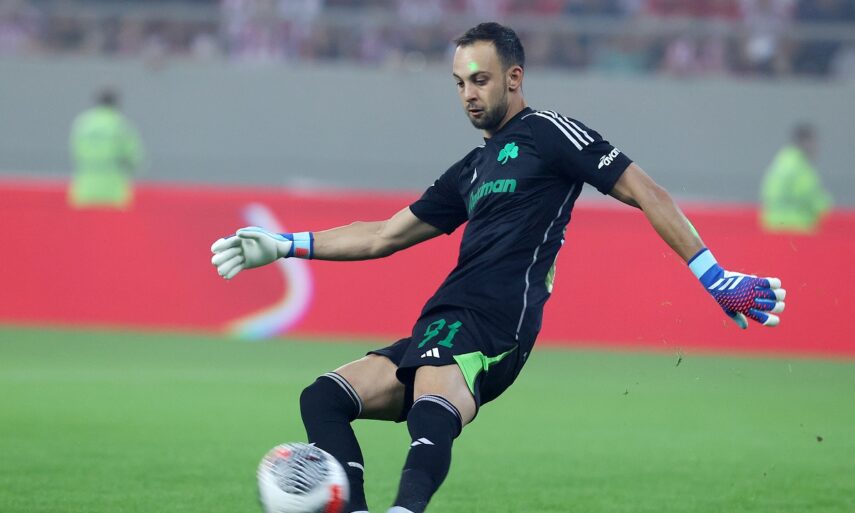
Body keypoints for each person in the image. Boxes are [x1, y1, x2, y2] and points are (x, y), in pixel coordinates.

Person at [211, 23, 787, 513]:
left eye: (480, 80)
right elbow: (384, 235)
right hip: (443, 318)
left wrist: (714, 276)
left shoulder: (550, 134)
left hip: (497, 320)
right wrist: (285, 244)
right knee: (323, 398)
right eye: (459, 83)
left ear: (514, 77)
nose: (468, 94)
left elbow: (646, 191)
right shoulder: (471, 168)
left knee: (431, 410)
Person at [68, 87, 144, 209]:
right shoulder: (120, 125)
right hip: (113, 193)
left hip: (85, 191)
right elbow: (134, 159)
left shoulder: (83, 124)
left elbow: (75, 152)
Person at [760, 123, 833, 233]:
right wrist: (826, 205)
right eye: (814, 142)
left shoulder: (780, 163)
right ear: (805, 142)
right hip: (797, 227)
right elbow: (813, 199)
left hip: (772, 226)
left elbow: (767, 193)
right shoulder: (801, 168)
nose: (816, 147)